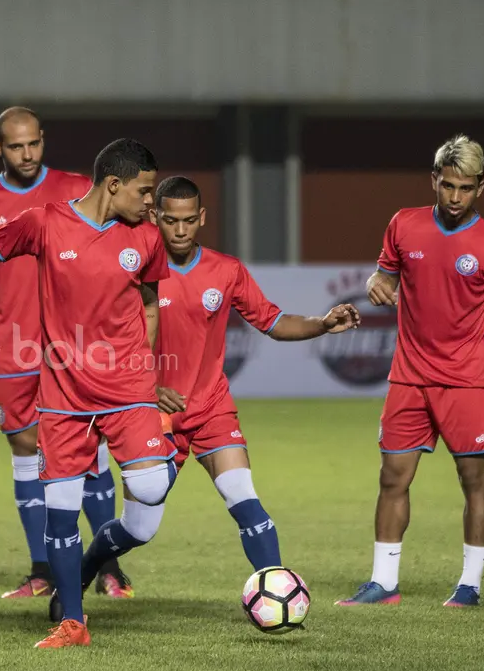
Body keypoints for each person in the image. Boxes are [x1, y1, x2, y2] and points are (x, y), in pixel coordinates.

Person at [0, 138, 172, 649]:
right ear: (113, 184)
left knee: (151, 493)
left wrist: (145, 362)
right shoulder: (45, 222)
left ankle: (96, 559)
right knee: (60, 506)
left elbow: (149, 301)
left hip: (127, 388)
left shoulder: (147, 237)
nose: (150, 203)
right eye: (144, 192)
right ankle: (73, 621)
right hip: (64, 394)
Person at [0, 107, 131, 600]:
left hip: (76, 347)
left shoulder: (78, 189)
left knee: (90, 452)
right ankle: (42, 568)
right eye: (15, 146)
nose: (26, 155)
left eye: (33, 144)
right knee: (26, 451)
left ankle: (108, 565)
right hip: (12, 346)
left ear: (43, 140)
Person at [336, 135, 484, 609]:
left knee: (474, 480)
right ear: (433, 181)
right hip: (408, 377)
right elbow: (383, 276)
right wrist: (374, 282)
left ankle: (470, 585)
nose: (455, 197)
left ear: (482, 186)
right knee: (392, 478)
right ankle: (383, 583)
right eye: (447, 186)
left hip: (463, 381)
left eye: (465, 188)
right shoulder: (404, 224)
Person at [145, 175, 359, 572]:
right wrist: (145, 386)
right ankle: (94, 569)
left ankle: (276, 588)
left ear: (202, 217)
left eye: (188, 220)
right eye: (171, 220)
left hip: (210, 407)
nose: (179, 229)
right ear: (155, 217)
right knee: (139, 525)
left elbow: (272, 321)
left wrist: (322, 324)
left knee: (243, 497)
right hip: (154, 411)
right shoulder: (138, 268)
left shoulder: (225, 270)